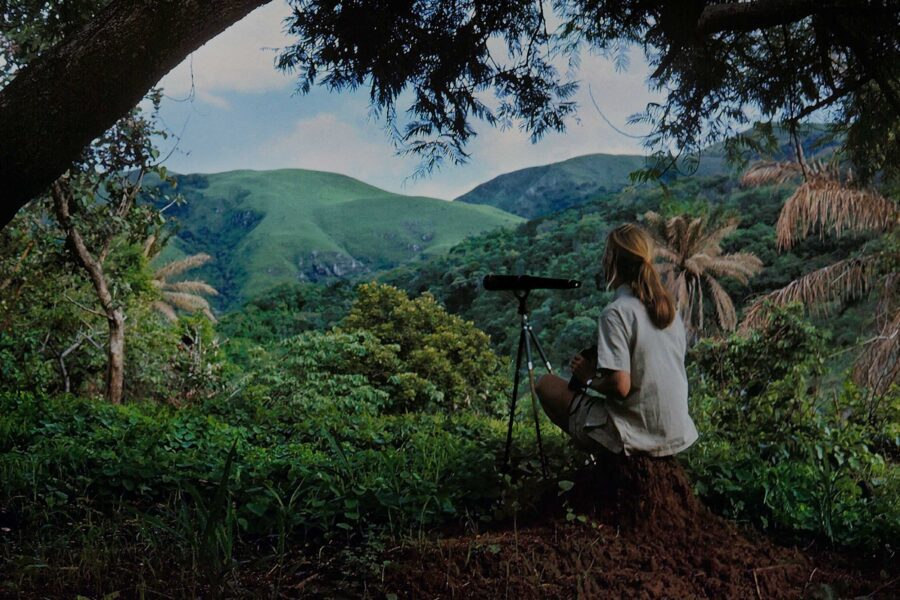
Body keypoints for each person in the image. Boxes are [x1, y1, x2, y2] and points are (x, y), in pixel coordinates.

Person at [535, 223, 698, 457]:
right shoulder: (668, 309)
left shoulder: (616, 312)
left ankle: (604, 455)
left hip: (637, 434)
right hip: (675, 432)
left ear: (611, 261)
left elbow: (621, 387)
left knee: (545, 384)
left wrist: (588, 379)